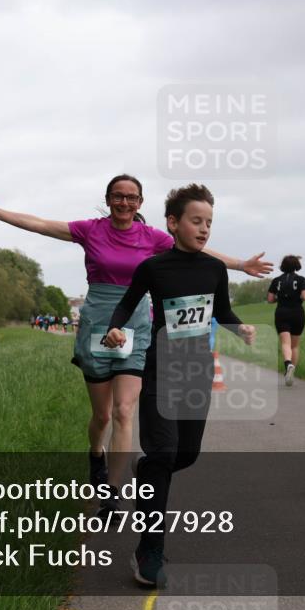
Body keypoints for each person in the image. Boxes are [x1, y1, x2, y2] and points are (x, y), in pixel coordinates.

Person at [0, 176, 272, 515]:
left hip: (136, 326)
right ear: (108, 200)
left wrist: (239, 264)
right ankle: (96, 455)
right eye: (118, 197)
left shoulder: (152, 238)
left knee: (124, 411)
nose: (124, 203)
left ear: (140, 203)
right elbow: (42, 225)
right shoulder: (91, 230)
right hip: (97, 325)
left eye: (132, 198)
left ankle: (111, 495)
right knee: (102, 415)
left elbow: (197, 248)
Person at [103, 184, 255, 587]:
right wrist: (115, 327)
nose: (204, 229)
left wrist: (240, 328)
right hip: (161, 368)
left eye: (209, 223)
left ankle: (148, 465)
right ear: (173, 223)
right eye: (196, 221)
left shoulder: (214, 269)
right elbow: (127, 301)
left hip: (196, 369)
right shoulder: (154, 268)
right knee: (166, 451)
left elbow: (221, 310)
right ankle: (149, 550)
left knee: (184, 455)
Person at [267, 255, 305, 386]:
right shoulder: (301, 279)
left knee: (285, 343)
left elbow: (270, 300)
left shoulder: (276, 281)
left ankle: (288, 364)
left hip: (282, 313)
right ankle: (291, 373)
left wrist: (279, 298)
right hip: (297, 313)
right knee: (295, 345)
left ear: (283, 266)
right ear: (297, 266)